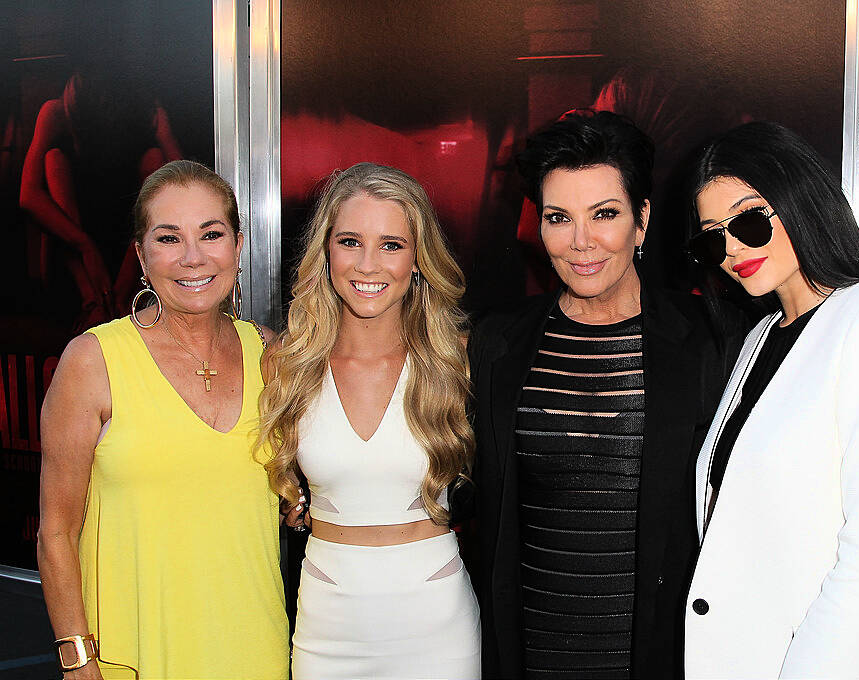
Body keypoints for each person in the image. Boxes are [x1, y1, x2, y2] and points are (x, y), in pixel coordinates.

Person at [467, 110, 745, 679]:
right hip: (530, 656)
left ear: (642, 221)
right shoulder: (497, 343)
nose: (581, 242)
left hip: (660, 657)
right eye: (558, 218)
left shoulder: (710, 340)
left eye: (605, 214)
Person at [683, 121, 859, 679]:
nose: (732, 249)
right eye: (713, 237)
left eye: (750, 221)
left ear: (801, 202)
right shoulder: (761, 337)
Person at [36, 160, 289, 678]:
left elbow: (294, 484)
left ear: (238, 247)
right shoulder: (93, 361)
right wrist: (77, 658)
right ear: (141, 256)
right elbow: (56, 532)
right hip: (132, 653)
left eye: (211, 234)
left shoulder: (270, 355)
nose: (193, 258)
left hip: (253, 648)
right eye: (169, 238)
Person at [258, 162, 481, 679]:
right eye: (350, 241)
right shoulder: (286, 364)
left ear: (419, 260)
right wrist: (294, 499)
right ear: (326, 252)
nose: (368, 264)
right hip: (326, 628)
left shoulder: (460, 362)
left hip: (437, 626)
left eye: (391, 245)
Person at [20, 68, 182, 330]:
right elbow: (28, 196)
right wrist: (85, 247)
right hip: (74, 251)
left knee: (156, 163)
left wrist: (126, 275)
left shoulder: (142, 110)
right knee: (54, 162)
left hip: (130, 244)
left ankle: (119, 300)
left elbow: (184, 186)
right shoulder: (57, 112)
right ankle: (92, 301)